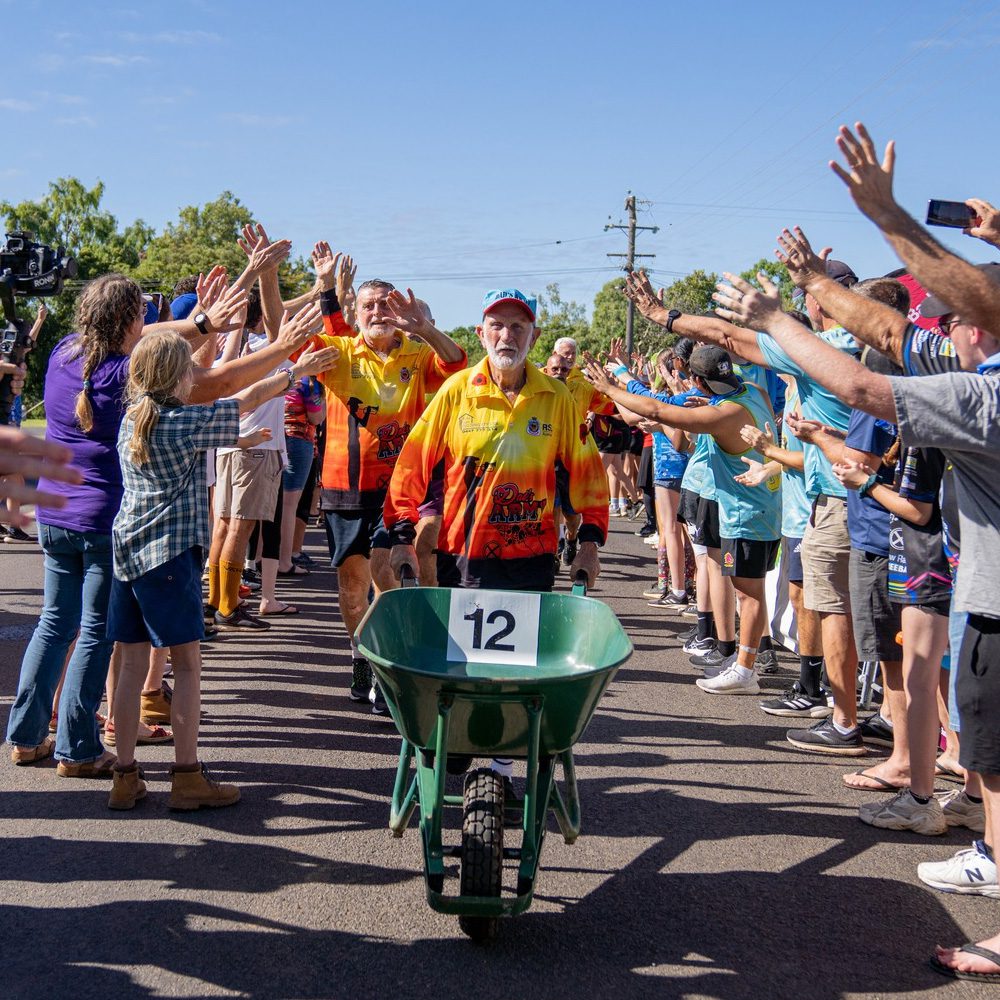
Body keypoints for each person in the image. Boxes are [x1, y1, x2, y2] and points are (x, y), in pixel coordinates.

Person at [711, 121, 1000, 976]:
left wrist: (776, 314)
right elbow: (884, 335)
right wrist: (811, 285)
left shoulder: (981, 397)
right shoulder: (972, 368)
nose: (945, 331)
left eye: (960, 318)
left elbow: (866, 379)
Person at [6, 263, 322, 774]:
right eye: (141, 317)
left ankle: (25, 736)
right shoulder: (125, 376)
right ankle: (77, 747)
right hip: (102, 521)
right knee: (93, 632)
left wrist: (201, 325)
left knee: (53, 624)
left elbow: (146, 336)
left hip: (55, 514)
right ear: (131, 321)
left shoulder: (66, 352)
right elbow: (220, 384)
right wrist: (284, 350)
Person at [624, 265, 864, 751]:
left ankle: (837, 713)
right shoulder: (856, 353)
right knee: (804, 600)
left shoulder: (817, 356)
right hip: (813, 499)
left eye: (809, 296)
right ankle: (815, 692)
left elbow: (724, 338)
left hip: (826, 501)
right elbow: (726, 338)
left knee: (824, 607)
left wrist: (660, 319)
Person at [384, 288, 607, 787]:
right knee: (458, 667)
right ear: (482, 333)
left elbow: (589, 472)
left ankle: (504, 766)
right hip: (462, 557)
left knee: (518, 673)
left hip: (530, 557)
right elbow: (412, 464)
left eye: (518, 327)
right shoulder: (456, 390)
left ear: (535, 335)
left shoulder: (557, 398)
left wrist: (589, 539)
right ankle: (457, 740)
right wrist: (401, 531)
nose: (508, 336)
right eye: (498, 326)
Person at [106, 329, 335, 810]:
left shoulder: (133, 419)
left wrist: (240, 432)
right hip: (168, 556)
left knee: (128, 666)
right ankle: (187, 776)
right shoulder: (182, 421)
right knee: (187, 666)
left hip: (127, 552)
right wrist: (295, 371)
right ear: (177, 375)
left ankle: (124, 775)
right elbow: (247, 395)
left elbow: (225, 419)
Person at [309, 242, 466, 713]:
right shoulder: (339, 351)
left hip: (403, 488)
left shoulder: (418, 356)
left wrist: (426, 327)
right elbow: (287, 338)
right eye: (369, 305)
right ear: (356, 313)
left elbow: (457, 364)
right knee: (351, 586)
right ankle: (360, 656)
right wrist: (320, 287)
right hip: (344, 484)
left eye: (386, 304)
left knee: (385, 572)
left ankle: (387, 667)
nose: (378, 311)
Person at [583, 344, 781, 695]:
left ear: (697, 382)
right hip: (760, 511)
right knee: (751, 592)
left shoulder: (722, 415)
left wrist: (610, 388)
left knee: (747, 595)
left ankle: (745, 670)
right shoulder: (753, 392)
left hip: (743, 515)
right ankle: (746, 661)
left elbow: (659, 411)